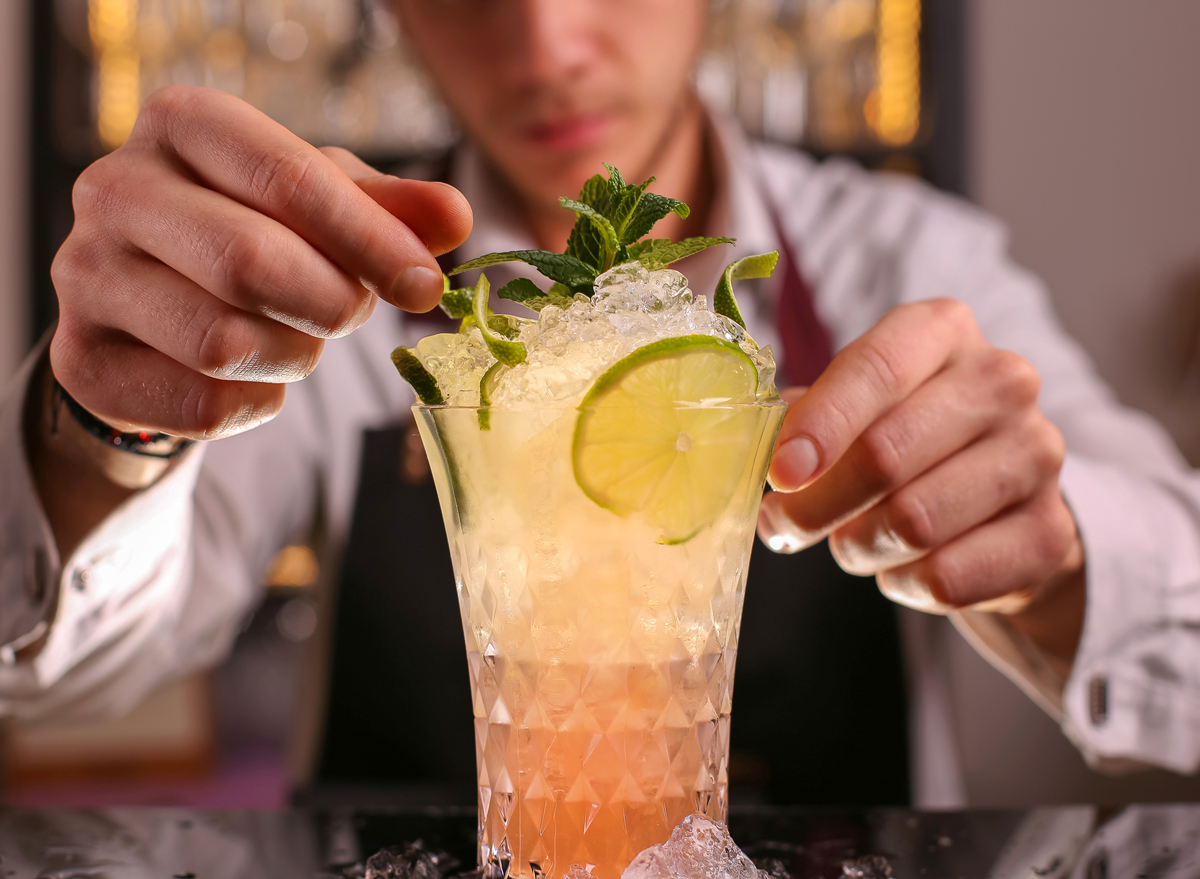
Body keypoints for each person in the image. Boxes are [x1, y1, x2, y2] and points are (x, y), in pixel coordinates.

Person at [2, 0, 1198, 803]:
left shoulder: (902, 257)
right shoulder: (336, 286)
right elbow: (62, 668)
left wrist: (1053, 555)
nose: (547, 44)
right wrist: (107, 424)